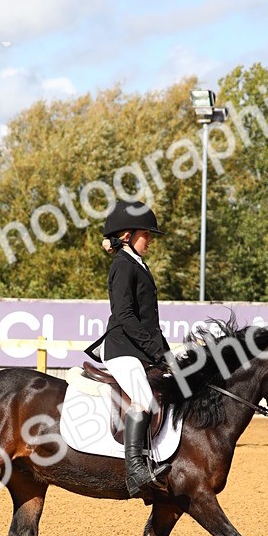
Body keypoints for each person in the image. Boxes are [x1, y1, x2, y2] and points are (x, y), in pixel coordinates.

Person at [92, 200, 172, 497]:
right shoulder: (123, 265)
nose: (149, 239)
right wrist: (155, 350)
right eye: (146, 233)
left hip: (137, 348)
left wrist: (167, 355)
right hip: (121, 348)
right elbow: (125, 316)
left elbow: (150, 321)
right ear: (128, 235)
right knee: (142, 400)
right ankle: (136, 471)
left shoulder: (137, 263)